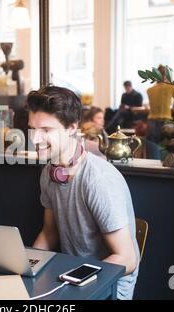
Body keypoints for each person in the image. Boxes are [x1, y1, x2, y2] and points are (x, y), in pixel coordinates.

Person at [26, 86, 139, 300]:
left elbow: (127, 259)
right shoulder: (48, 173)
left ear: (71, 128)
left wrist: (76, 279)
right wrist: (27, 269)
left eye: (46, 130)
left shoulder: (99, 180)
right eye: (33, 129)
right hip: (69, 278)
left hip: (109, 287)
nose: (36, 139)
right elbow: (50, 233)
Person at [146, 65, 174, 146]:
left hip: (151, 122)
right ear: (167, 75)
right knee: (166, 148)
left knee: (153, 149)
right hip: (166, 122)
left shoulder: (149, 90)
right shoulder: (170, 87)